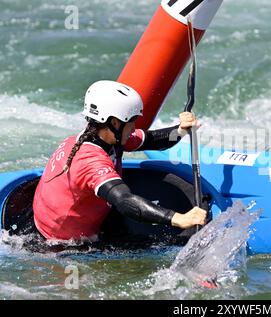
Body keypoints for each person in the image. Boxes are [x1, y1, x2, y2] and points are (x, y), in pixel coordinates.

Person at [33, 80, 207, 241]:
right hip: (59, 246)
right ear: (115, 123)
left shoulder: (105, 137)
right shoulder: (90, 161)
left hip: (81, 220)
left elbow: (151, 139)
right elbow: (124, 201)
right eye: (131, 121)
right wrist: (179, 218)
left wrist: (180, 130)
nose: (134, 127)